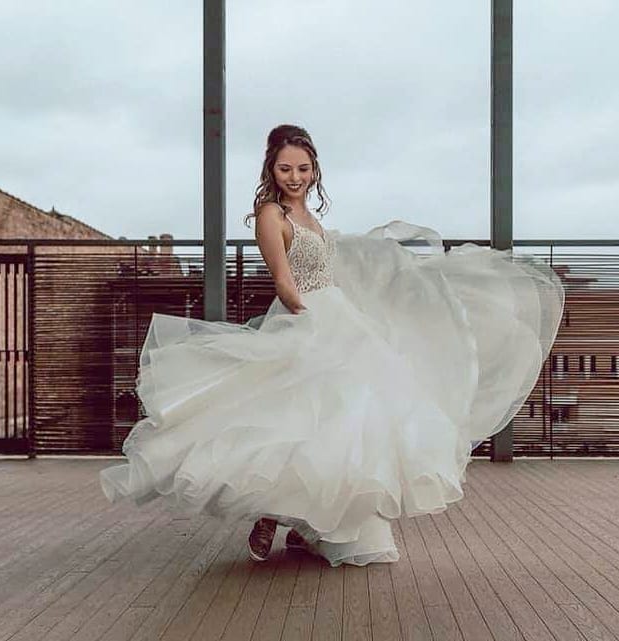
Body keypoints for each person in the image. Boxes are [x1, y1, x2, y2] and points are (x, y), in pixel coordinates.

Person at [100, 124, 565, 567]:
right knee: (292, 418)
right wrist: (315, 321)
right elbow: (283, 282)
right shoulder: (271, 216)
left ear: (314, 169)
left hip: (337, 315)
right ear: (271, 171)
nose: (295, 178)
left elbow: (332, 267)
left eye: (303, 169)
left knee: (348, 423)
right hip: (306, 318)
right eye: (285, 169)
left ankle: (310, 527)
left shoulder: (311, 217)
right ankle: (269, 512)